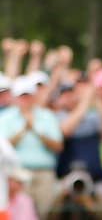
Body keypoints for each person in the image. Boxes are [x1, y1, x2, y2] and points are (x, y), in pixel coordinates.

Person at [0, 76, 63, 217]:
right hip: (17, 175)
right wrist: (23, 130)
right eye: (22, 96)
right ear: (15, 97)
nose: (25, 100)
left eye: (28, 96)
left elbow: (58, 145)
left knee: (45, 213)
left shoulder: (47, 116)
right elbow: (3, 148)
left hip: (44, 173)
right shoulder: (5, 118)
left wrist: (35, 129)